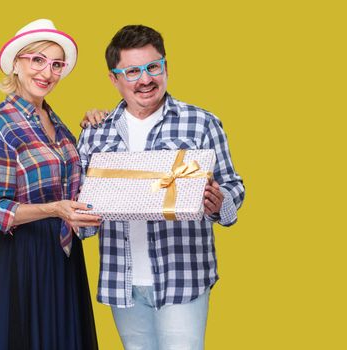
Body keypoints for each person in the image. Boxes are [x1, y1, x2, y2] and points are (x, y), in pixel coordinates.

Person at [77, 25, 245, 350]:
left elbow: (233, 188)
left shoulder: (201, 122)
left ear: (165, 67)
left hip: (184, 278)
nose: (145, 79)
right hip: (122, 281)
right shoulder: (95, 133)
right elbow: (81, 210)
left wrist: (219, 203)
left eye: (153, 67)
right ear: (114, 78)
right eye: (132, 71)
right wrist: (81, 220)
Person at [0, 19, 100, 350]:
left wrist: (96, 127)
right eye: (37, 60)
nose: (48, 72)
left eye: (56, 64)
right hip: (25, 260)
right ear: (16, 64)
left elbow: (79, 183)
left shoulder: (59, 125)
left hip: (66, 255)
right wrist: (54, 209)